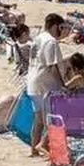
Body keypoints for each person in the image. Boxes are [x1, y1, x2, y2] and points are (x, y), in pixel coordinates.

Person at [26, 13, 67, 154]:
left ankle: (34, 150)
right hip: (44, 84)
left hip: (32, 82)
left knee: (38, 120)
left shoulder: (38, 38)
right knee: (52, 119)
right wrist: (63, 84)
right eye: (61, 27)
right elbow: (52, 67)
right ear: (55, 26)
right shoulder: (50, 41)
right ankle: (47, 149)